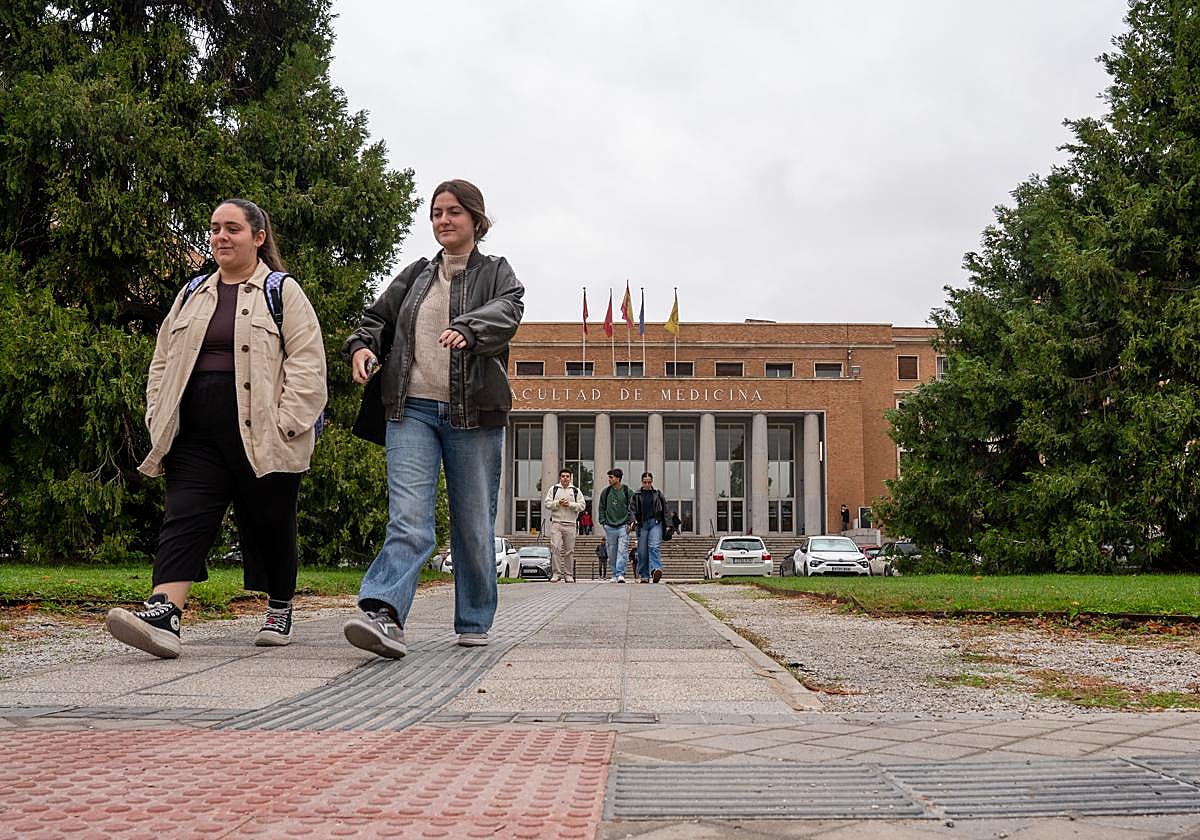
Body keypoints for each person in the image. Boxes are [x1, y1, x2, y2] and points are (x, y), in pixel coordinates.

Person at [105, 198, 327, 658]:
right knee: (183, 516)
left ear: (258, 238)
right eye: (214, 229)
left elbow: (308, 363)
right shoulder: (192, 293)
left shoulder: (283, 292)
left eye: (233, 229)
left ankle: (280, 605)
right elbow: (162, 359)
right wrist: (156, 412)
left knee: (270, 521)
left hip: (264, 432)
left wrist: (289, 422)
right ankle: (165, 613)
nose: (221, 237)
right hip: (194, 432)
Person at [340, 179, 524, 657]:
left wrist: (468, 327)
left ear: (476, 220)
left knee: (472, 524)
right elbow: (375, 320)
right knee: (408, 519)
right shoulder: (418, 274)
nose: (443, 220)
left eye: (454, 212)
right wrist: (361, 348)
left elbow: (508, 311)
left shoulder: (497, 272)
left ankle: (474, 617)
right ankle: (383, 612)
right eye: (437, 212)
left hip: (473, 414)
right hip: (411, 408)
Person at [543, 468, 584, 582]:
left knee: (569, 551)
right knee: (555, 548)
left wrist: (570, 505)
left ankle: (568, 574)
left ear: (570, 478)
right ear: (560, 478)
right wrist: (558, 503)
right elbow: (547, 503)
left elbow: (582, 506)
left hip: (571, 524)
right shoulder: (554, 489)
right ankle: (556, 573)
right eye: (563, 476)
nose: (565, 478)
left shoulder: (575, 490)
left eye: (567, 476)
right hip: (557, 523)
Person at [597, 468, 634, 583]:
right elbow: (601, 507)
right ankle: (614, 574)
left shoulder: (627, 491)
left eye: (611, 477)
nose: (609, 479)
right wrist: (603, 522)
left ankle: (620, 573)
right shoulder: (606, 492)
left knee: (622, 550)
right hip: (610, 526)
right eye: (609, 477)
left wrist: (630, 523)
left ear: (618, 478)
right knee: (612, 552)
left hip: (623, 526)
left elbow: (633, 508)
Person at [631, 471, 668, 583]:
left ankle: (655, 569)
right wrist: (633, 520)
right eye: (645, 482)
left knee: (654, 546)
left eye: (649, 482)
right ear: (642, 482)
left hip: (655, 523)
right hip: (642, 525)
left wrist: (669, 525)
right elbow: (631, 510)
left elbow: (665, 509)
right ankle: (644, 575)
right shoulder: (636, 495)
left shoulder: (657, 494)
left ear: (652, 482)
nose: (647, 484)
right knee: (642, 551)